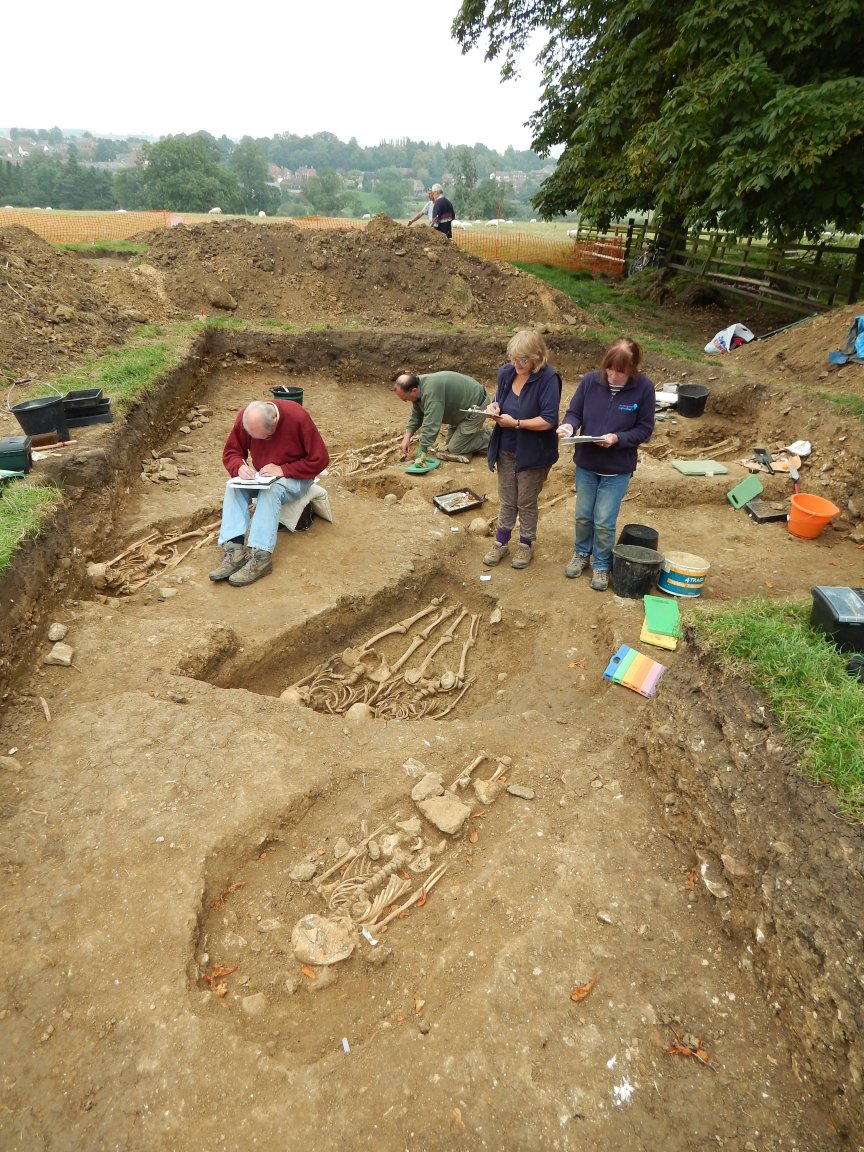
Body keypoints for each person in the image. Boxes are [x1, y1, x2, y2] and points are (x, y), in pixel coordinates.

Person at [557, 338, 656, 591]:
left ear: (633, 368)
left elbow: (644, 429)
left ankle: (601, 565)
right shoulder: (591, 381)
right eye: (609, 369)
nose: (613, 375)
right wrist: (569, 425)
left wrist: (618, 438)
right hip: (587, 463)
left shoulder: (643, 388)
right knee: (582, 515)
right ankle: (581, 554)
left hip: (617, 468)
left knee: (604, 520)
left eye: (620, 371)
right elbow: (574, 412)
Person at [210, 398, 329, 587]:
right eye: (254, 438)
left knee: (272, 490)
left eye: (264, 438)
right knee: (233, 486)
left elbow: (319, 460)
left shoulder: (297, 417)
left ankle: (261, 556)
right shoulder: (246, 417)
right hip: (263, 475)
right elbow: (232, 452)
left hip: (297, 478)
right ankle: (234, 550)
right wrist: (239, 467)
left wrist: (284, 470)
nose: (259, 443)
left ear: (274, 421)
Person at [483, 330, 562, 570]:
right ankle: (501, 541)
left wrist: (516, 423)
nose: (517, 364)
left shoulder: (549, 378)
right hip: (506, 447)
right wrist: (494, 407)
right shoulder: (506, 373)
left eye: (523, 360)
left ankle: (526, 544)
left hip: (534, 452)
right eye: (513, 358)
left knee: (526, 501)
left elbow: (548, 420)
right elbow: (499, 398)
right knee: (507, 499)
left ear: (537, 357)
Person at [395, 371, 491, 460]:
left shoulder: (431, 392)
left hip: (476, 407)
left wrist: (422, 450)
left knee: (455, 448)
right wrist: (407, 436)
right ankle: (469, 439)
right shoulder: (418, 386)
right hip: (460, 410)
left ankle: (493, 436)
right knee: (447, 446)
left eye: (405, 399)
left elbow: (432, 423)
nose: (406, 401)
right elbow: (417, 415)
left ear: (414, 390)